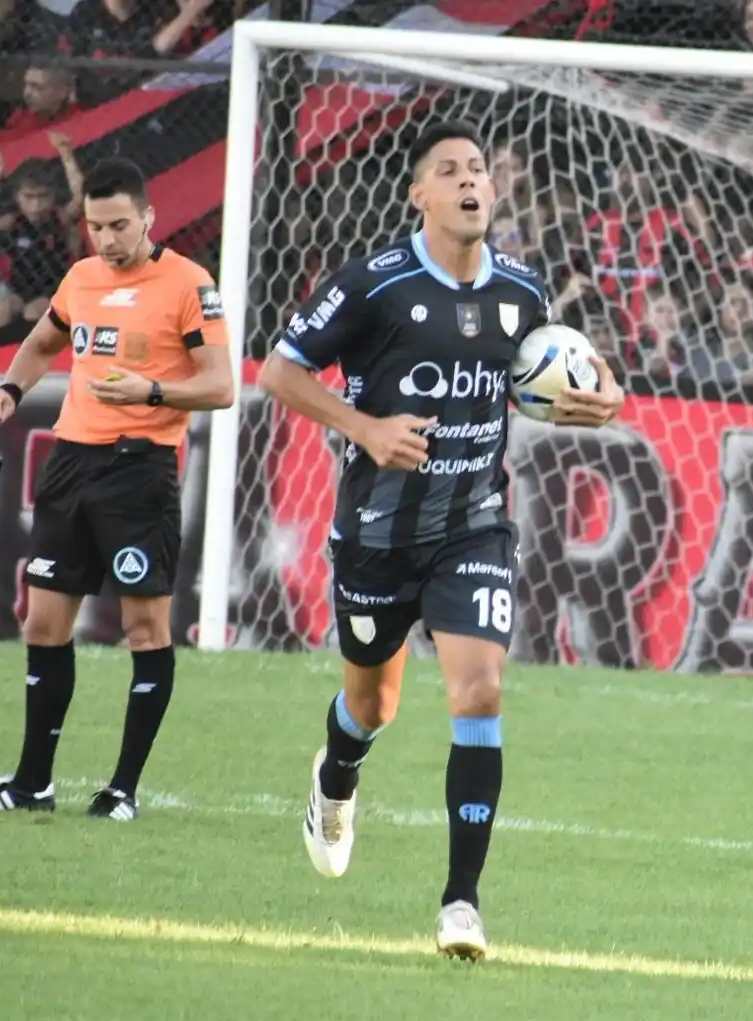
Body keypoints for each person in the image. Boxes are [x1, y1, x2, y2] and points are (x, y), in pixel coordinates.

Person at [256, 121, 624, 962]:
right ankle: (335, 776)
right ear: (417, 194)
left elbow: (550, 377)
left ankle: (461, 902)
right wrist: (365, 428)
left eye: (478, 170)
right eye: (449, 171)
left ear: (492, 191)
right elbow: (280, 371)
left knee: (480, 693)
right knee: (371, 706)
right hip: (377, 534)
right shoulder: (374, 285)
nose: (468, 181)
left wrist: (599, 397)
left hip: (472, 528)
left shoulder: (523, 294)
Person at [0, 159, 235, 819]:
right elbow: (42, 342)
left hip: (139, 471)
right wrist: (10, 389)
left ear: (148, 217)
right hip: (71, 465)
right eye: (97, 226)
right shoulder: (82, 277)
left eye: (120, 224)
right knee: (42, 623)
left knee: (144, 628)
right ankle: (32, 783)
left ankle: (122, 789)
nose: (108, 238)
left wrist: (151, 391)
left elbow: (221, 385)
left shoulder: (189, 283)